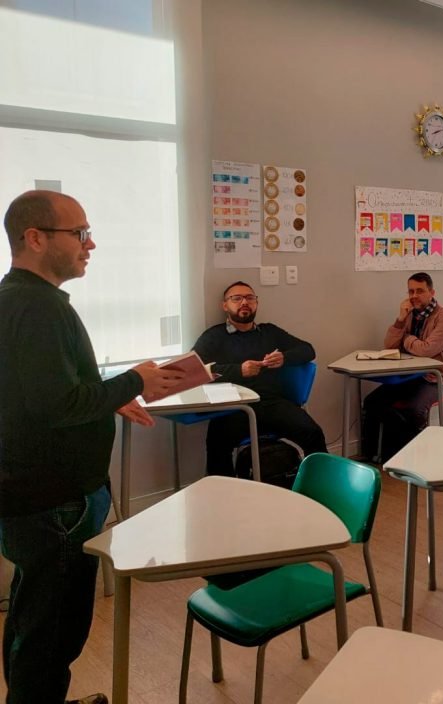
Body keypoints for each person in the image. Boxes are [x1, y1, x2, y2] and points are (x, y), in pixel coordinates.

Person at [0, 191, 183, 704]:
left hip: (32, 496)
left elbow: (36, 395)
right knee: (51, 632)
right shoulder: (38, 307)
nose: (91, 244)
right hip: (54, 501)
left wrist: (108, 398)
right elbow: (57, 404)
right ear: (35, 238)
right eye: (80, 233)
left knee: (32, 617)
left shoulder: (16, 300)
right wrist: (135, 380)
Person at [193, 281, 327, 476]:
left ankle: (320, 485)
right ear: (225, 306)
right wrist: (239, 370)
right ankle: (224, 491)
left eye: (250, 298)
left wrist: (284, 358)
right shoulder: (214, 336)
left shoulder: (269, 332)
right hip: (234, 407)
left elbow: (308, 350)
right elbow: (194, 370)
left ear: (256, 303)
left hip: (271, 403)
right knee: (217, 444)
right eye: (236, 298)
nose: (244, 302)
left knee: (313, 433)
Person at [362, 272, 443, 462]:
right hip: (410, 376)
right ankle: (375, 455)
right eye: (411, 291)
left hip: (437, 378)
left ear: (432, 292)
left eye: (420, 291)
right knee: (372, 401)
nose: (414, 296)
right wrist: (400, 320)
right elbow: (390, 346)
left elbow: (426, 350)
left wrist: (406, 338)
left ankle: (414, 457)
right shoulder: (409, 314)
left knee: (415, 409)